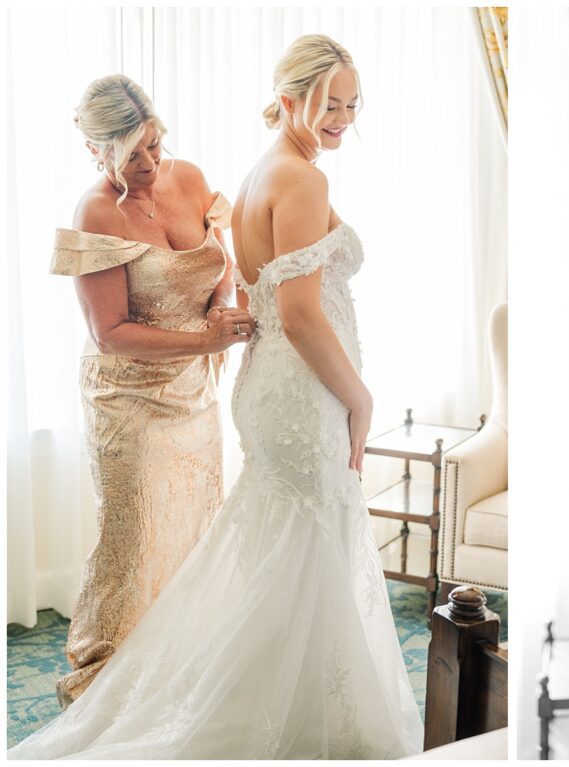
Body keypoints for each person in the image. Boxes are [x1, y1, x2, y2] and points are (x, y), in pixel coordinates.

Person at [10, 35, 423, 759]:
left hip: (227, 387)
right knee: (151, 542)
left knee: (227, 543)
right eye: (332, 104)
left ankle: (243, 682)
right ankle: (116, 678)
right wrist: (358, 395)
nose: (151, 160)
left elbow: (244, 276)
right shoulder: (291, 181)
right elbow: (127, 330)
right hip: (149, 396)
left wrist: (226, 317)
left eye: (355, 105)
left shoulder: (239, 170)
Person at [48, 74, 254, 708]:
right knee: (133, 541)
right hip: (128, 403)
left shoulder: (187, 178)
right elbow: (110, 333)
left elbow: (222, 263)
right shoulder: (95, 213)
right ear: (96, 150)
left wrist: (222, 308)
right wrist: (207, 343)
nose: (150, 164)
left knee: (193, 530)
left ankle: (182, 669)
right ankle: (103, 686)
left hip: (194, 395)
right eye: (132, 153)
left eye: (155, 145)